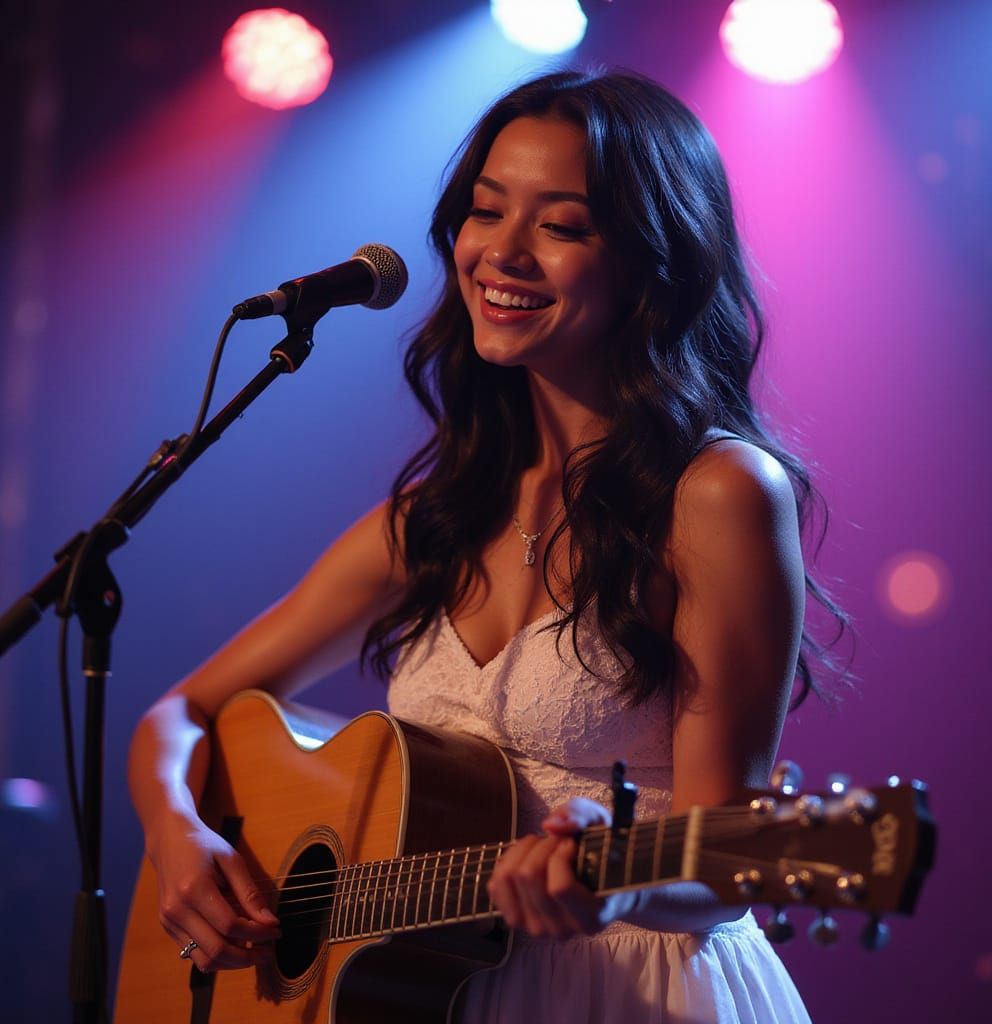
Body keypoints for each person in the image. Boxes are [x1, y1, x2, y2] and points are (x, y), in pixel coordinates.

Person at [129, 69, 842, 1022]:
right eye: (484, 211)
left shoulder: (716, 494)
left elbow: (732, 862)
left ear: (650, 264)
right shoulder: (434, 520)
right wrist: (182, 839)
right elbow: (178, 715)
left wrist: (615, 880)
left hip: (633, 991)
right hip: (427, 996)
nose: (501, 255)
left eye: (560, 225)